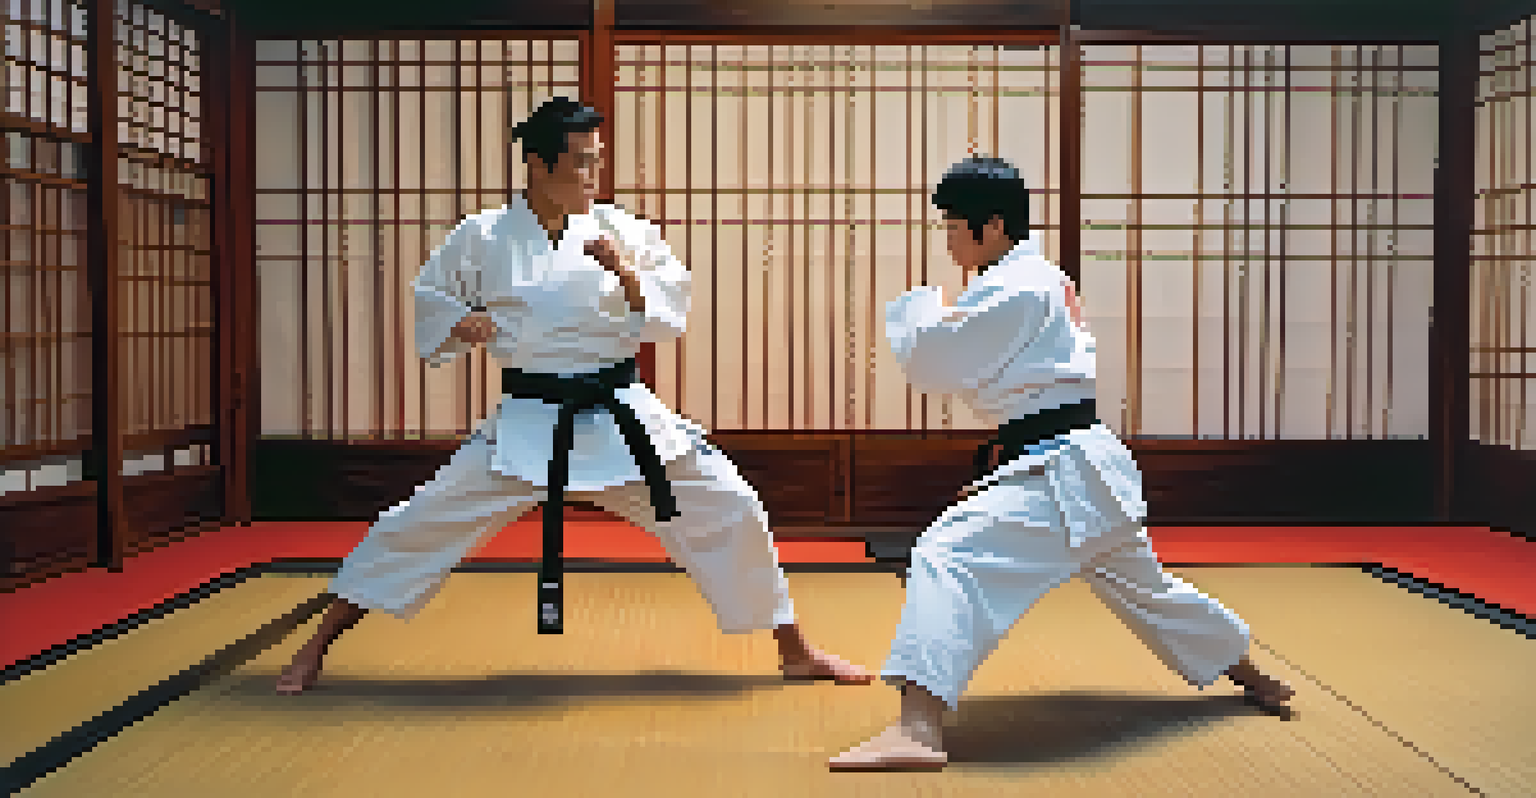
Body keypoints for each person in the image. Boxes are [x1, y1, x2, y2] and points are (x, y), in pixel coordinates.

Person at [275, 97, 871, 695]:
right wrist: (461, 323)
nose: (594, 176)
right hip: (528, 422)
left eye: (598, 161)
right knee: (419, 522)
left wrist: (625, 273)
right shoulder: (483, 235)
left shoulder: (623, 231)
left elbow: (668, 313)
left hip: (621, 416)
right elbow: (433, 298)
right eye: (582, 162)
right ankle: (316, 645)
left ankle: (796, 651)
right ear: (538, 163)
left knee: (733, 505)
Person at [829, 157, 1294, 771]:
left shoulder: (1016, 284)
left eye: (954, 226)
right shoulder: (1038, 278)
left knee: (946, 553)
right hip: (1084, 469)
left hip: (1061, 472)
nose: (948, 241)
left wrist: (926, 310)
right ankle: (1254, 677)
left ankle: (917, 730)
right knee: (1148, 589)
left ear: (993, 225)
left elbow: (937, 362)